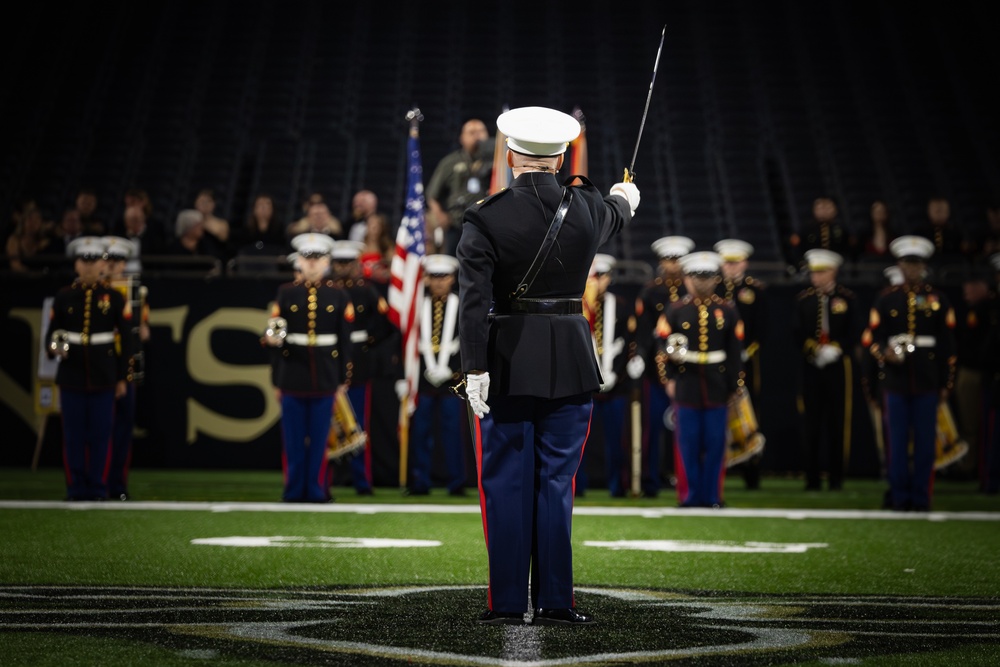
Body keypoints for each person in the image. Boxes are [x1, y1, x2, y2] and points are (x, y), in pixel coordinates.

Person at [457, 105, 639, 626]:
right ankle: (558, 601)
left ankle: (509, 603)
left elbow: (473, 302)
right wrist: (625, 199)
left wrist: (474, 368)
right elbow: (616, 211)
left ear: (511, 155)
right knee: (558, 482)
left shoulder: (485, 217)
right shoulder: (587, 208)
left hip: (507, 362)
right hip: (571, 361)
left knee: (506, 482)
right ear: (560, 158)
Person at [868, 235, 957, 511]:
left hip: (927, 379)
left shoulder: (938, 300)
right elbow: (871, 338)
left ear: (924, 266)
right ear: (899, 264)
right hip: (895, 381)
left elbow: (948, 346)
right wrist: (884, 353)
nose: (911, 268)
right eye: (907, 263)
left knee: (925, 444)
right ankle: (898, 496)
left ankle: (921, 497)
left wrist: (946, 383)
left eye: (916, 263)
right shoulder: (886, 299)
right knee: (895, 443)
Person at [264, 233, 354, 503]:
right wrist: (271, 342)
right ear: (299, 262)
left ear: (326, 261)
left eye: (317, 258)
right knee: (293, 440)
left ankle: (316, 490)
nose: (312, 264)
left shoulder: (338, 295)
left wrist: (342, 376)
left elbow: (345, 338)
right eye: (307, 258)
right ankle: (293, 490)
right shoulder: (286, 292)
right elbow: (276, 330)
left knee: (319, 440)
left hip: (325, 374)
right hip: (292, 373)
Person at [45, 236, 132, 500]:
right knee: (72, 435)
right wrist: (54, 349)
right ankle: (75, 487)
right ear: (76, 265)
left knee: (101, 435)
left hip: (104, 375)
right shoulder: (64, 297)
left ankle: (97, 486)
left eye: (94, 260)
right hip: (71, 375)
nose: (90, 266)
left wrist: (121, 378)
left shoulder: (114, 298)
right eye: (85, 260)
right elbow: (53, 333)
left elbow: (125, 341)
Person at [663, 250, 745, 508]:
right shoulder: (676, 310)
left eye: (707, 276)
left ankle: (712, 496)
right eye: (696, 276)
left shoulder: (727, 310)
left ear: (716, 278)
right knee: (687, 442)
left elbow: (735, 352)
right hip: (686, 382)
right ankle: (689, 496)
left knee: (715, 443)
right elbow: (661, 346)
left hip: (717, 383)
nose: (701, 281)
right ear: (687, 278)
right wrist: (668, 379)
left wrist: (735, 385)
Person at [327, 240, 398, 496]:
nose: (343, 267)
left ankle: (361, 481)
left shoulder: (366, 291)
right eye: (339, 262)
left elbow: (385, 324)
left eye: (348, 262)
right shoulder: (327, 291)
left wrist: (368, 342)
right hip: (329, 363)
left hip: (358, 364)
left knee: (358, 425)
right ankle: (326, 480)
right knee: (327, 425)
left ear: (357, 264)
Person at [630, 235, 694, 497]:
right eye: (669, 259)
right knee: (653, 427)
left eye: (677, 259)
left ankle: (685, 480)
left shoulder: (692, 293)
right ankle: (651, 480)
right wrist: (639, 356)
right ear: (661, 261)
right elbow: (644, 332)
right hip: (656, 372)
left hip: (688, 369)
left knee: (687, 428)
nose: (673, 264)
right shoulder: (651, 291)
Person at [794, 249, 860, 491]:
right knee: (810, 422)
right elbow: (796, 331)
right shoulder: (804, 299)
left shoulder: (847, 298)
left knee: (838, 422)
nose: (816, 277)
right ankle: (811, 478)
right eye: (813, 272)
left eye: (821, 272)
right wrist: (814, 350)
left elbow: (855, 330)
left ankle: (836, 477)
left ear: (833, 271)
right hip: (811, 366)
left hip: (839, 367)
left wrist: (837, 348)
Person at [407, 254, 466, 496]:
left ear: (453, 279)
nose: (439, 282)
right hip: (422, 379)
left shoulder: (462, 305)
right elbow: (408, 341)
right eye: (434, 277)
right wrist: (406, 376)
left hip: (453, 380)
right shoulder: (415, 306)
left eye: (444, 277)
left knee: (453, 434)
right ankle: (419, 481)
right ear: (426, 279)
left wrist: (455, 371)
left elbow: (469, 341)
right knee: (420, 434)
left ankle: (457, 482)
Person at [580, 253, 637, 497]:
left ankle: (618, 485)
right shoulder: (578, 306)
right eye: (593, 276)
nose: (597, 281)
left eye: (601, 276)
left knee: (617, 440)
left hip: (616, 385)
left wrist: (620, 374)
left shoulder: (622, 306)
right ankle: (576, 487)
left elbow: (630, 344)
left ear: (610, 277)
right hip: (584, 386)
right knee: (578, 440)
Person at [714, 238, 766, 489]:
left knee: (749, 413)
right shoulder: (713, 290)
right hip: (717, 362)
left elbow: (764, 329)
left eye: (736, 263)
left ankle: (752, 472)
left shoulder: (755, 291)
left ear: (744, 263)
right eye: (727, 263)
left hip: (747, 362)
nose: (731, 268)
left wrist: (746, 351)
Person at [103, 236, 146, 500]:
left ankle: (117, 484)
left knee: (122, 429)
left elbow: (142, 330)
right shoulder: (92, 291)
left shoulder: (134, 290)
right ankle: (96, 482)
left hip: (124, 364)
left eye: (119, 260)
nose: (114, 265)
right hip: (99, 365)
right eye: (109, 259)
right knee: (98, 429)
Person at [426, 117, 494, 255]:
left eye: (481, 131)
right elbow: (432, 195)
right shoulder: (450, 162)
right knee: (454, 262)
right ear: (462, 138)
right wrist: (441, 216)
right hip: (457, 225)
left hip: (487, 225)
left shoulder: (497, 162)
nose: (477, 136)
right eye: (472, 132)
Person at [951, 274, 995, 479]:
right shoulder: (974, 309)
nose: (966, 292)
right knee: (970, 422)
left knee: (976, 423)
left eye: (971, 287)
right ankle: (973, 465)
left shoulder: (986, 309)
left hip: (979, 372)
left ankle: (974, 466)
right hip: (972, 370)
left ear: (983, 286)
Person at [790, 197, 855, 265]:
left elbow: (849, 250)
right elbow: (798, 249)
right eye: (820, 208)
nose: (824, 211)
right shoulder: (806, 229)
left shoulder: (841, 229)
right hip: (812, 265)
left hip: (836, 266)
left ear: (835, 210)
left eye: (827, 208)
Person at [5, 199, 51, 271]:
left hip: (42, 280)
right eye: (30, 219)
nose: (33, 223)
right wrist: (33, 275)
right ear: (23, 222)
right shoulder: (14, 240)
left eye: (36, 220)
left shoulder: (44, 243)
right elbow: (15, 265)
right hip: (18, 280)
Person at [193, 188, 231, 258]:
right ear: (196, 203)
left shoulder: (222, 224)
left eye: (208, 201)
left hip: (212, 257)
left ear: (214, 204)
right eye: (202, 201)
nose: (205, 204)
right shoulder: (190, 221)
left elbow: (223, 239)